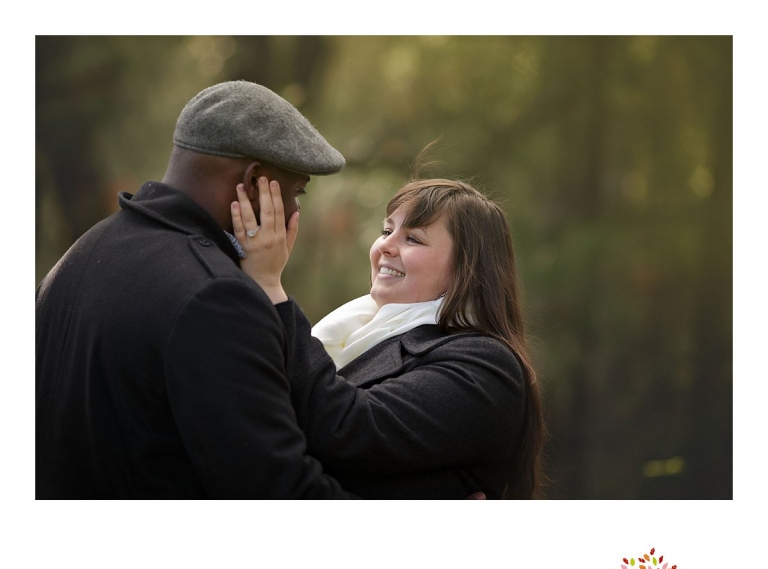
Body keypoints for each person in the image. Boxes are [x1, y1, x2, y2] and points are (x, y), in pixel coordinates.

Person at [35, 80, 360, 498]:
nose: (295, 211)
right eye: (297, 192)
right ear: (255, 182)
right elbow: (279, 490)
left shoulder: (80, 254)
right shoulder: (216, 297)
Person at [232, 177, 546, 498]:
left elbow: (349, 430)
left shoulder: (485, 365)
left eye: (413, 238)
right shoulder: (353, 332)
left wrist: (269, 287)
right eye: (386, 231)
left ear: (467, 269)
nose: (385, 245)